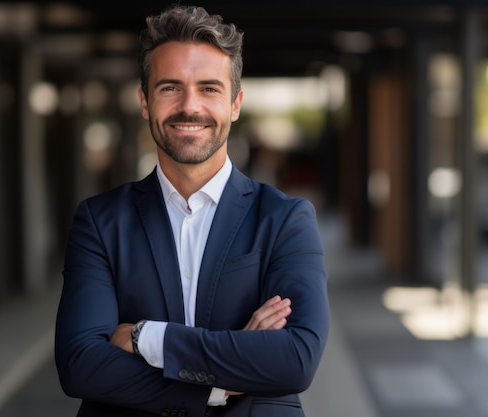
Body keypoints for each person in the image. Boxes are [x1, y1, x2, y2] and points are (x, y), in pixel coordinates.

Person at [55, 4, 330, 417]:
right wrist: (220, 383)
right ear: (145, 102)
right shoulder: (100, 221)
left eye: (209, 88)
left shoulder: (285, 219)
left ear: (235, 104)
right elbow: (80, 364)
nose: (190, 106)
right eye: (170, 88)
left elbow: (295, 359)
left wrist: (147, 338)